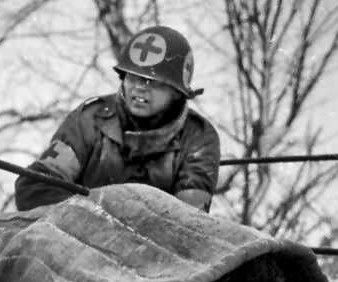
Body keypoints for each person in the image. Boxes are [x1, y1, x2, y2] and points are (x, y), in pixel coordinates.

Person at [13, 25, 221, 212]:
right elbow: (35, 188)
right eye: (132, 76)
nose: (139, 86)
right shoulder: (90, 119)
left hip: (153, 251)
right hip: (74, 244)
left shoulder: (198, 138)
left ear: (176, 92)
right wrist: (94, 220)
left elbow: (190, 224)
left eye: (152, 81)